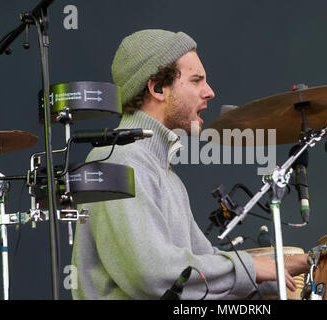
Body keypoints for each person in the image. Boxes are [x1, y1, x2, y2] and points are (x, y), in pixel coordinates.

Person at [71, 29, 310, 300]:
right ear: (157, 87)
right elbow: (153, 274)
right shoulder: (120, 162)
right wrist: (252, 268)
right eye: (197, 81)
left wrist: (297, 264)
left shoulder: (161, 171)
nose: (209, 92)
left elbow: (202, 263)